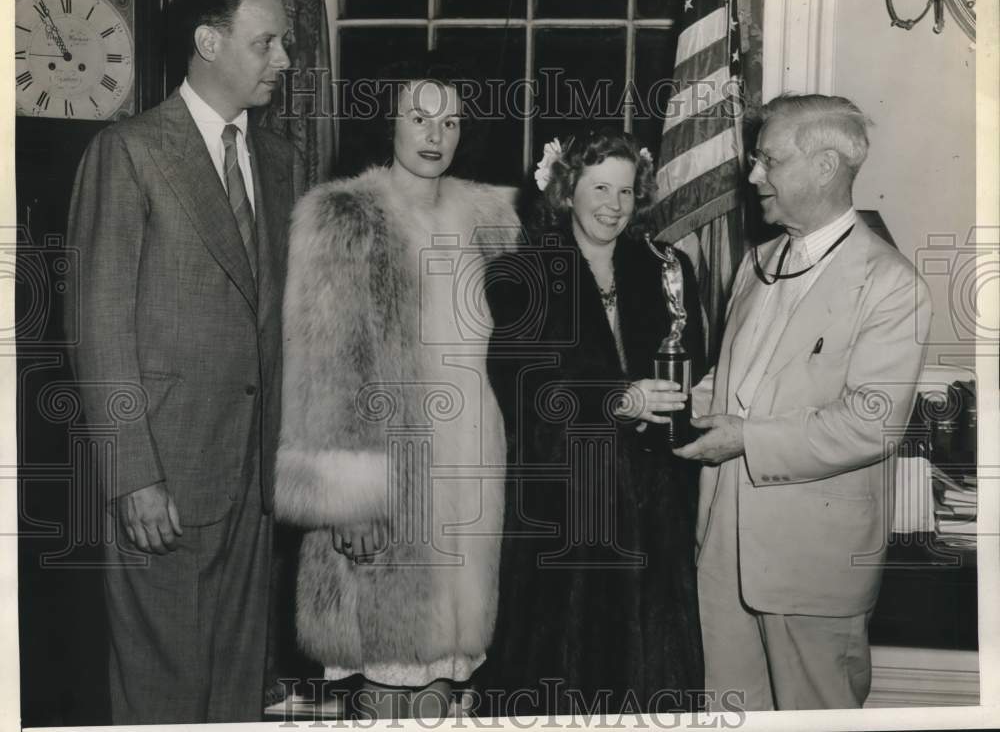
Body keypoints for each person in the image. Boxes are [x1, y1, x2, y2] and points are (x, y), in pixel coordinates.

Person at [65, 0, 304, 723]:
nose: (285, 61)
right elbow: (98, 328)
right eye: (267, 43)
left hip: (253, 486)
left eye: (285, 46)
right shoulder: (129, 152)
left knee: (237, 693)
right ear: (209, 40)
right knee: (163, 695)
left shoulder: (281, 161)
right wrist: (133, 474)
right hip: (163, 480)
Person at [274, 58, 520, 719]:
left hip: (473, 476)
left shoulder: (493, 218)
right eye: (419, 117)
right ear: (387, 122)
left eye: (451, 120)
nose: (435, 134)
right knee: (390, 681)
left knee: (446, 678)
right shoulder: (343, 217)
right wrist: (346, 498)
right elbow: (319, 368)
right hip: (390, 484)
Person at [673, 94, 932, 710]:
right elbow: (737, 379)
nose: (753, 175)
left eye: (769, 160)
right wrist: (677, 406)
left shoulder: (892, 285)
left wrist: (745, 438)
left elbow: (871, 426)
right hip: (722, 555)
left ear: (824, 167)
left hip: (811, 571)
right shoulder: (757, 262)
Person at [482, 128, 706, 717]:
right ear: (567, 189)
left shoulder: (669, 270)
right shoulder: (522, 275)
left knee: (652, 670)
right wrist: (616, 399)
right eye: (599, 187)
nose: (613, 204)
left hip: (653, 507)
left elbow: (694, 379)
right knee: (564, 670)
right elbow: (524, 387)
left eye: (627, 191)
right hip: (564, 507)